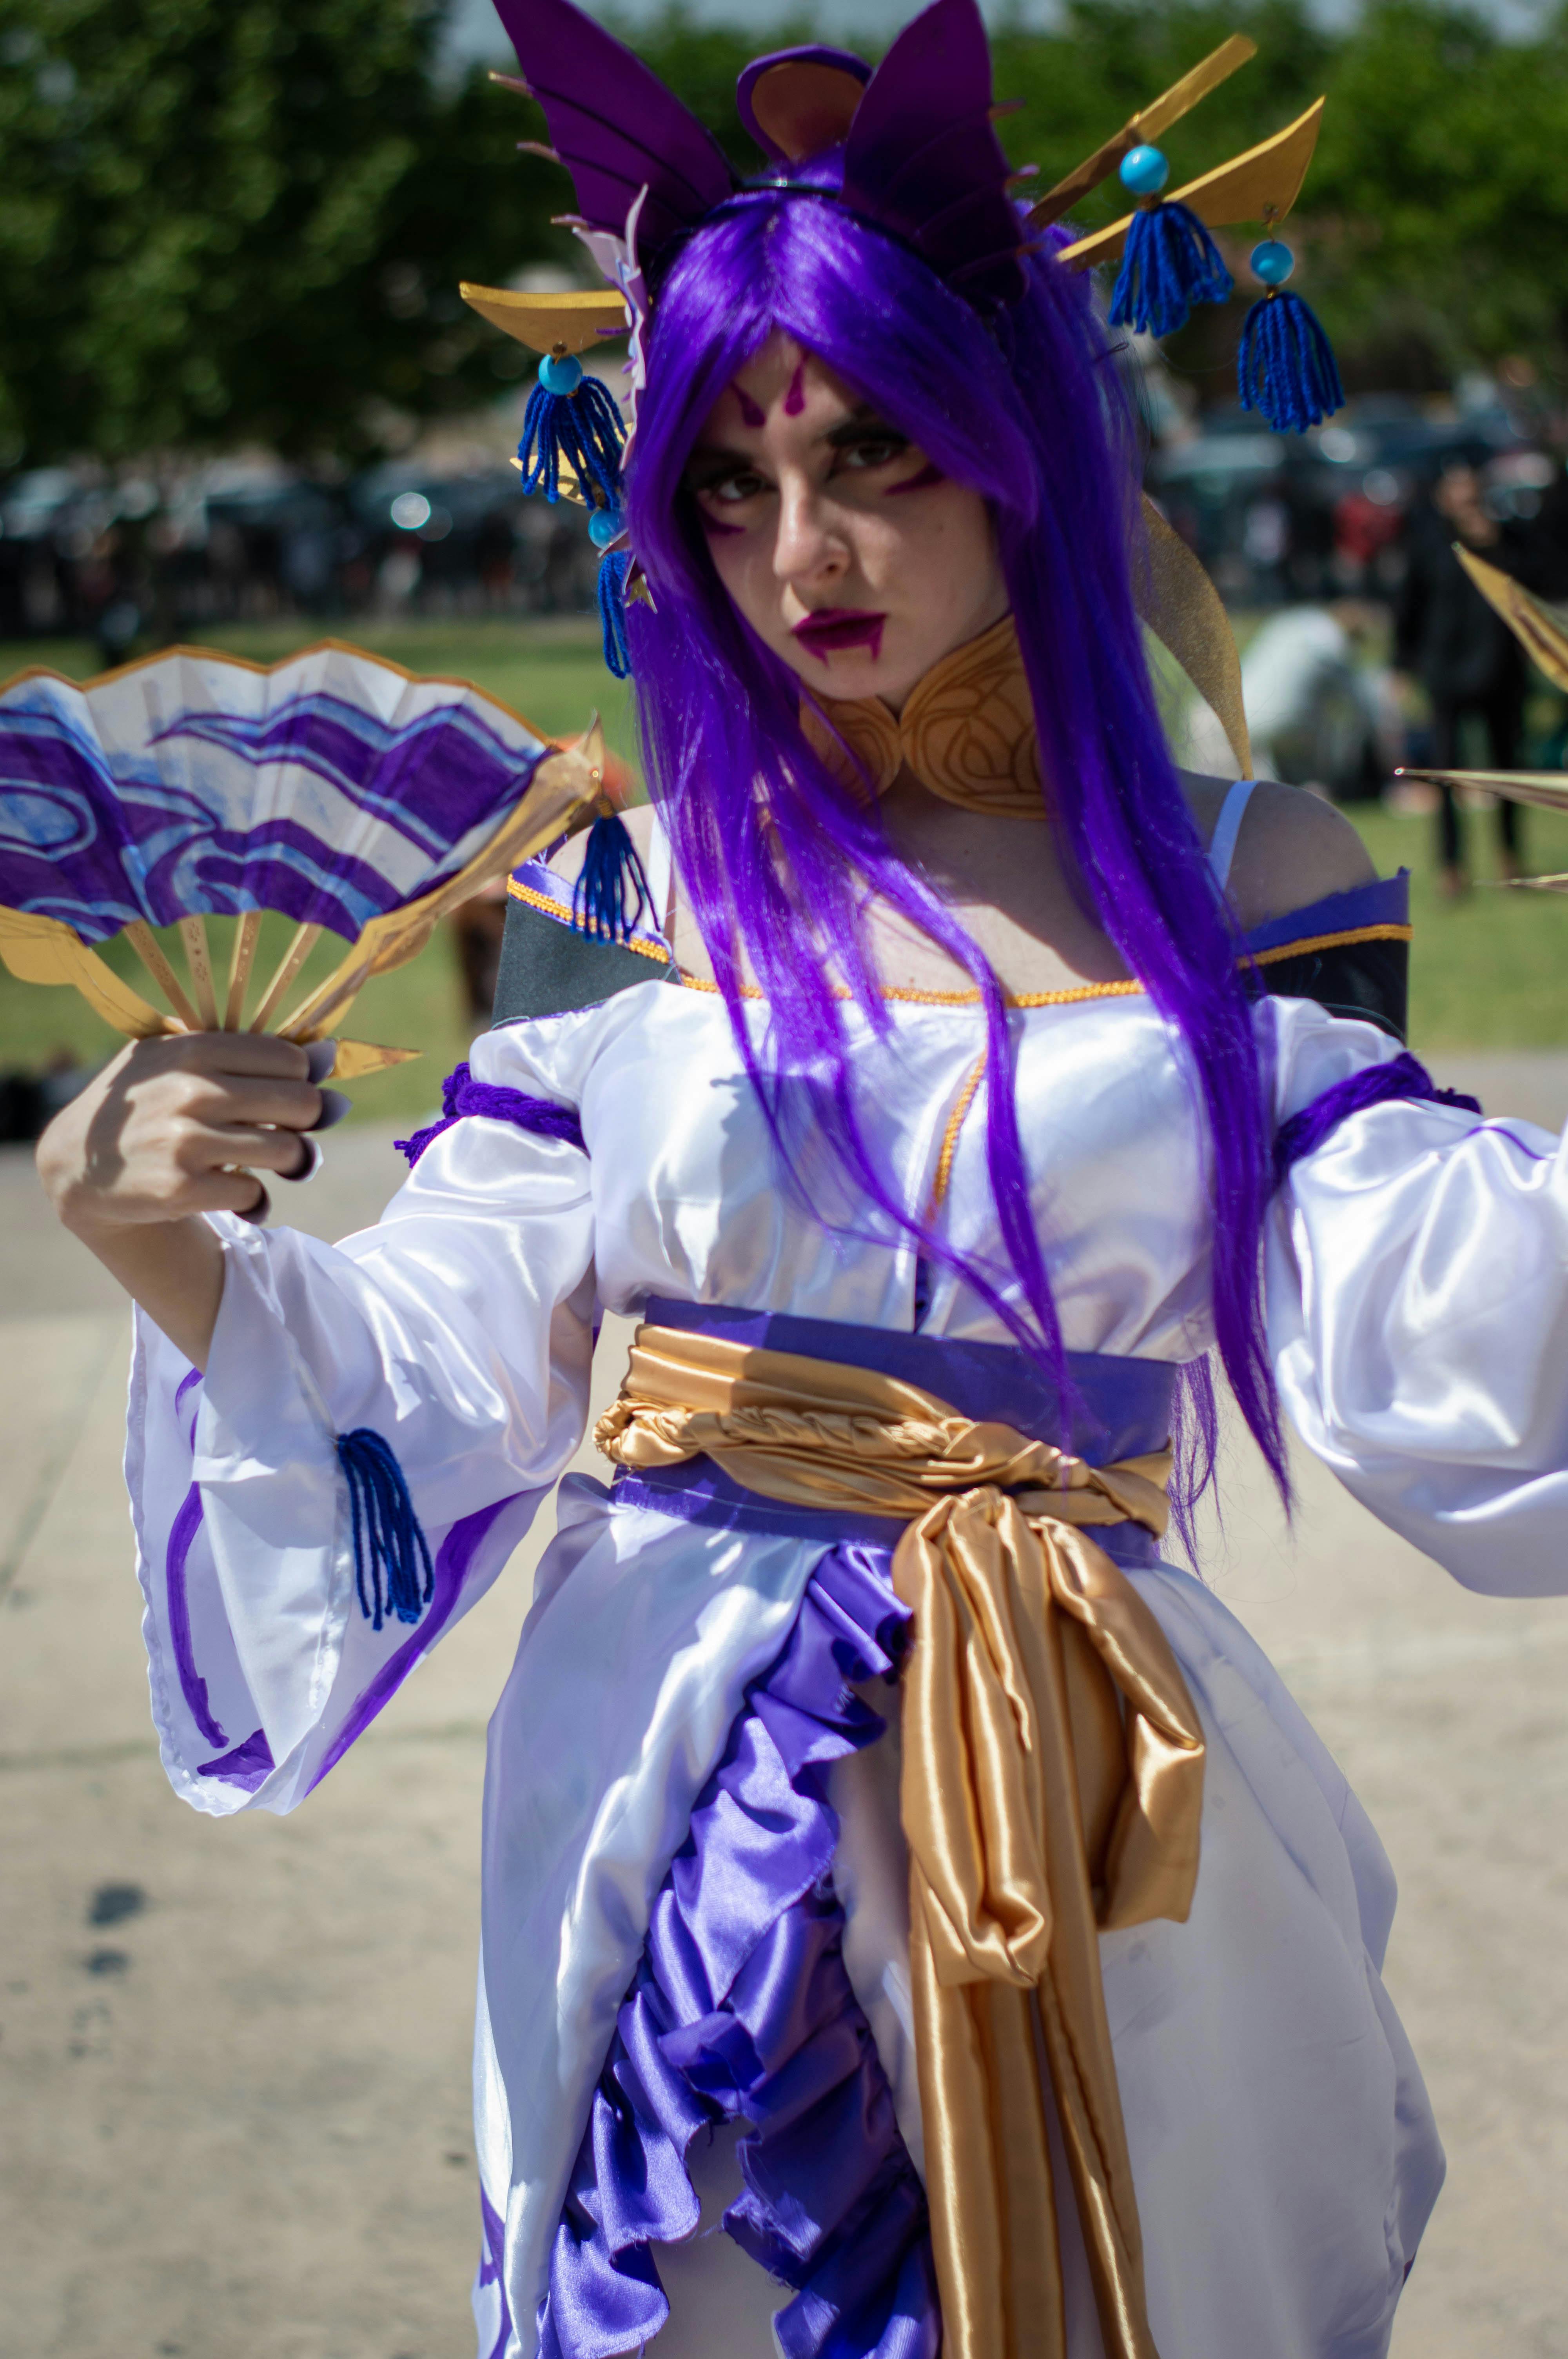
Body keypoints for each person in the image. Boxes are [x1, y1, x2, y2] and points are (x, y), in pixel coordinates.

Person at [33, 5, 1568, 2355]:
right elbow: (463, 1331)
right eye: (729, 482)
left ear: (1022, 453)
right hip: (663, 1759)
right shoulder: (638, 895)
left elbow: (1450, 1311)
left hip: (1098, 1784)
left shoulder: (1248, 880)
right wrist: (168, 1238)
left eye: (872, 453)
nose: (801, 549)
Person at [1393, 462, 1532, 895]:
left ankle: (1511, 857)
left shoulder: (1506, 540)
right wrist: (1402, 666)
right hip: (1446, 672)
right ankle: (1452, 866)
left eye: (1474, 493)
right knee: (1446, 775)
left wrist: (1493, 547)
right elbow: (1409, 607)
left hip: (1501, 671)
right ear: (1443, 497)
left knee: (1508, 770)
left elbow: (1534, 586)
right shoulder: (1429, 544)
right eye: (1459, 493)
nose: (1467, 502)